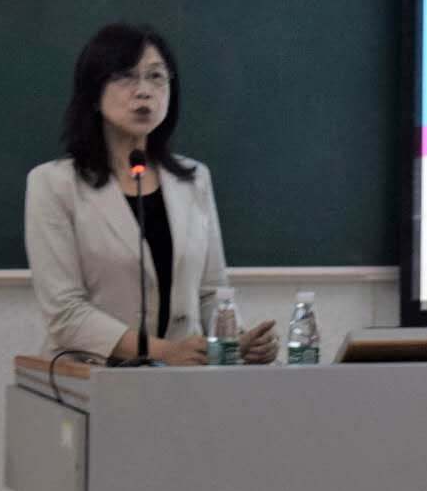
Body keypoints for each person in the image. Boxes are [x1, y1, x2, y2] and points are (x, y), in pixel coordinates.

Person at [24, 22, 277, 365]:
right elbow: (65, 313)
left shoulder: (194, 179)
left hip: (183, 383)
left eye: (156, 76)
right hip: (92, 377)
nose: (144, 91)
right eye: (125, 76)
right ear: (94, 93)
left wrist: (238, 344)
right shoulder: (54, 184)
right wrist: (164, 352)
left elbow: (211, 293)